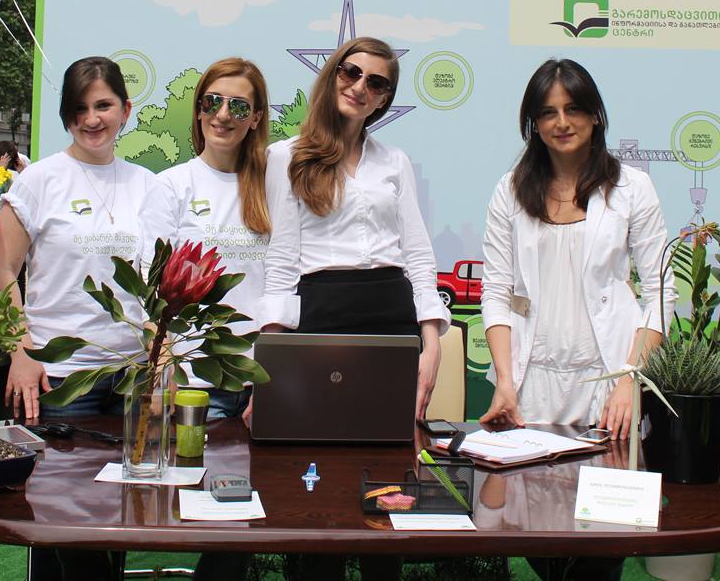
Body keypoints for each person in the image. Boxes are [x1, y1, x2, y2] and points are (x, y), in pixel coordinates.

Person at [261, 37, 448, 581]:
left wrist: (431, 343)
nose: (360, 86)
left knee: (387, 481)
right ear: (333, 75)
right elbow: (281, 262)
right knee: (313, 479)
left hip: (391, 322)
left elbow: (417, 254)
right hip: (320, 320)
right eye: (351, 72)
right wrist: (268, 364)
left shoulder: (395, 162)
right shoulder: (286, 156)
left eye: (377, 82)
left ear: (385, 98)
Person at [477, 59, 671, 581]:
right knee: (538, 537)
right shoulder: (510, 190)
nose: (561, 122)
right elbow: (496, 292)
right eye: (548, 112)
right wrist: (506, 382)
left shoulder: (632, 188)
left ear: (595, 115)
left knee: (602, 546)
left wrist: (629, 380)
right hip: (532, 390)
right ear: (533, 123)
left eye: (573, 109)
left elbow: (660, 292)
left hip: (608, 390)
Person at [0, 56, 172, 581]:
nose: (92, 119)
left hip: (131, 377)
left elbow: (156, 283)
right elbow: (2, 271)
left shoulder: (149, 186)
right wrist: (21, 350)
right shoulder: (38, 181)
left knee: (121, 513)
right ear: (67, 115)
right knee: (61, 517)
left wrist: (161, 363)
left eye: (103, 106)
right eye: (80, 109)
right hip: (61, 378)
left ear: (126, 110)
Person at [158, 58, 271, 419]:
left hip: (262, 382)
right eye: (212, 102)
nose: (223, 115)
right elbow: (148, 283)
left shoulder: (274, 188)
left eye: (238, 107)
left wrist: (277, 376)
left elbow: (286, 285)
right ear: (198, 109)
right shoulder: (170, 185)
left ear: (255, 118)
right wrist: (163, 364)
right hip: (195, 384)